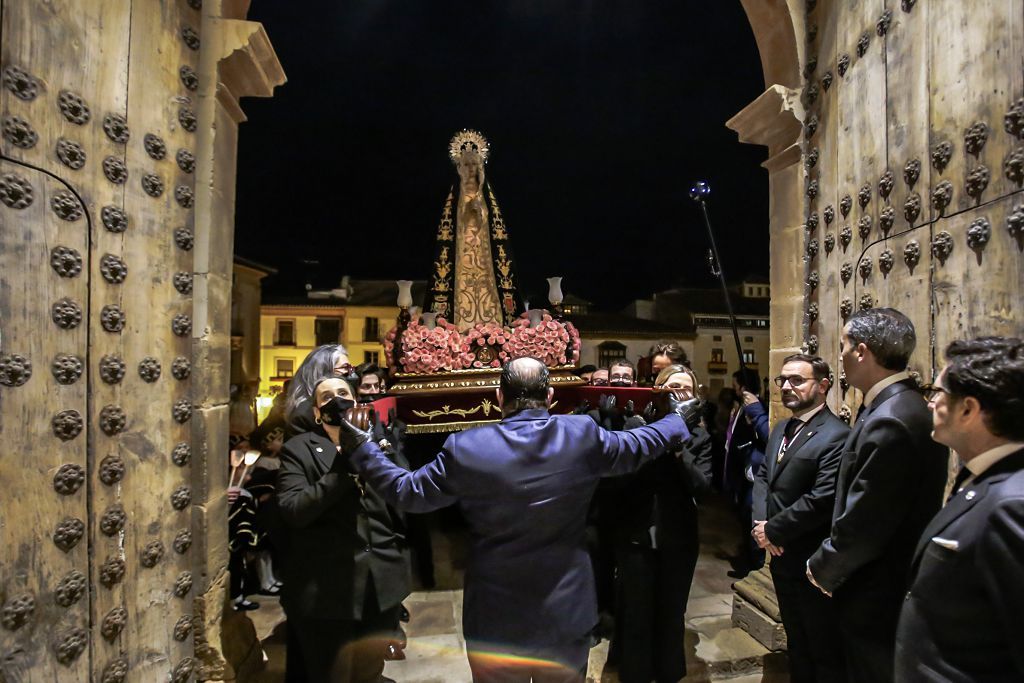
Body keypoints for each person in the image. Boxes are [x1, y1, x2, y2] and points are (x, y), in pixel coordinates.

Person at [339, 357, 703, 682]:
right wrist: (678, 419)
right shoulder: (581, 435)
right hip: (565, 609)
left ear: (499, 397)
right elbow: (640, 443)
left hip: (496, 616)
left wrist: (364, 449)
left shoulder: (466, 447)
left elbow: (408, 492)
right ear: (548, 398)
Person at [806, 308, 947, 682]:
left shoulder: (893, 417)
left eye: (843, 346)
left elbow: (868, 517)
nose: (840, 356)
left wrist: (823, 567)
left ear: (863, 351)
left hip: (877, 590)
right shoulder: (891, 406)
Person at [895, 336, 1024, 682]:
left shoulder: (1013, 504)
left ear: (968, 409)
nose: (930, 404)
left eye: (936, 394)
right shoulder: (979, 476)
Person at [276, 376, 410, 682]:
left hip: (379, 586)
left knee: (369, 671)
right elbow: (294, 510)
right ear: (315, 412)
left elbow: (402, 503)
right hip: (327, 591)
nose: (336, 400)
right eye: (326, 397)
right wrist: (343, 465)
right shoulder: (299, 449)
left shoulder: (376, 445)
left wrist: (381, 445)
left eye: (343, 393)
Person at [607, 364, 712, 683]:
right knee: (637, 612)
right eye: (672, 388)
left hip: (677, 537)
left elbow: (703, 488)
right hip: (637, 535)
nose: (679, 395)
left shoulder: (700, 434)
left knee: (671, 612)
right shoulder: (640, 429)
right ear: (658, 391)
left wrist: (680, 451)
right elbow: (615, 482)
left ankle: (668, 672)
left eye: (686, 390)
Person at [752, 354, 848, 682]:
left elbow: (821, 498)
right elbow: (764, 476)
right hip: (779, 554)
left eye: (797, 380)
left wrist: (774, 531)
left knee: (820, 646)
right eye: (782, 380)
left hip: (811, 557)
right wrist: (759, 524)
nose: (787, 387)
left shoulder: (836, 434)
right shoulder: (781, 428)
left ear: (822, 386)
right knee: (796, 642)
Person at [723, 367, 768, 576]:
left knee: (752, 523)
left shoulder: (758, 407)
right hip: (740, 472)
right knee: (742, 520)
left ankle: (755, 569)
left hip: (753, 473)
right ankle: (745, 565)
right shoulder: (740, 406)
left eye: (735, 385)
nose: (734, 390)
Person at [284, 344, 355, 438]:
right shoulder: (303, 414)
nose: (350, 373)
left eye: (350, 368)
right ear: (325, 371)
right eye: (345, 367)